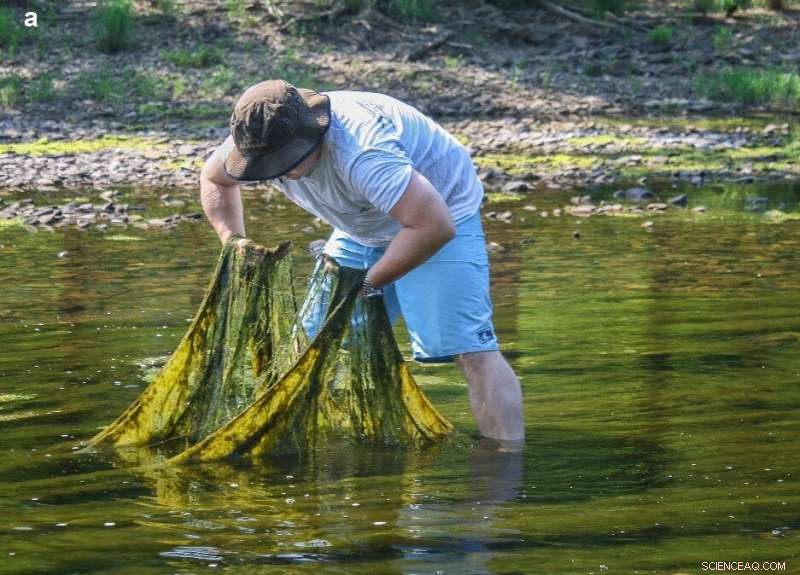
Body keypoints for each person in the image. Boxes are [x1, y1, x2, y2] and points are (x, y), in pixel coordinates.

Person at [199, 79, 524, 442]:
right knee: (306, 348)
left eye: (285, 162)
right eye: (266, 165)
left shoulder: (362, 152)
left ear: (314, 135)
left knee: (470, 351)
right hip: (360, 226)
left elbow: (433, 226)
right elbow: (214, 179)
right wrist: (235, 242)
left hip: (441, 214)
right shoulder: (258, 135)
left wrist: (368, 283)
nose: (278, 171)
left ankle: (506, 459)